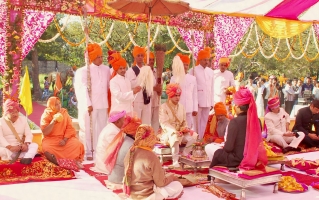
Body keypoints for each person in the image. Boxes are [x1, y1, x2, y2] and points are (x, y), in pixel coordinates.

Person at [209, 88, 267, 169]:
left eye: (235, 105)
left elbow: (228, 148)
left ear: (239, 107)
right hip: (252, 158)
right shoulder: (257, 121)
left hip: (237, 159)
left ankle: (212, 175)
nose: (234, 107)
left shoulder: (235, 122)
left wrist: (223, 147)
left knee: (217, 153)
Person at [123, 125, 183, 200]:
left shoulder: (131, 151)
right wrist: (172, 177)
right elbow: (160, 183)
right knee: (178, 185)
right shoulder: (151, 155)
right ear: (151, 138)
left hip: (132, 194)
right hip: (147, 195)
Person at [78, 43, 111, 160]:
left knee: (102, 128)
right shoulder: (84, 71)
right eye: (98, 57)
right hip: (92, 104)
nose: (101, 59)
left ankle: (100, 151)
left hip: (103, 103)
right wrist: (88, 103)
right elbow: (82, 88)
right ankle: (89, 152)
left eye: (102, 56)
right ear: (92, 57)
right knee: (89, 128)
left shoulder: (106, 69)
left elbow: (108, 85)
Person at [159, 84, 197, 167]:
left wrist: (185, 128)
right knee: (175, 136)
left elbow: (184, 121)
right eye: (175, 96)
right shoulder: (163, 107)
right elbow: (164, 123)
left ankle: (184, 156)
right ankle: (175, 160)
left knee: (193, 136)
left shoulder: (182, 107)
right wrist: (174, 131)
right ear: (170, 95)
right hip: (168, 133)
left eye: (179, 96)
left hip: (181, 132)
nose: (177, 98)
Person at [40, 97, 84, 166]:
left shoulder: (64, 112)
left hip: (64, 138)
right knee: (47, 148)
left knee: (77, 144)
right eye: (56, 104)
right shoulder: (46, 115)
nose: (59, 106)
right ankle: (57, 161)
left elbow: (69, 127)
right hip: (51, 140)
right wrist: (53, 121)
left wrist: (65, 140)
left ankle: (73, 160)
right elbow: (45, 132)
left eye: (59, 103)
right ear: (51, 106)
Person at [104, 115, 141, 185]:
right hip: (120, 180)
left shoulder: (125, 140)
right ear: (134, 132)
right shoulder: (131, 144)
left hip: (114, 177)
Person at [0, 100, 38, 164]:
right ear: (6, 113)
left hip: (20, 148)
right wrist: (10, 147)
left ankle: (27, 158)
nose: (15, 115)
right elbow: (0, 138)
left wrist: (26, 144)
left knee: (34, 145)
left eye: (17, 112)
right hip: (7, 149)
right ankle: (28, 155)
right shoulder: (1, 121)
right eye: (12, 113)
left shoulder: (23, 120)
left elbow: (29, 134)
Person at [126, 46, 157, 124]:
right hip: (137, 100)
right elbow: (130, 84)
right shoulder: (131, 70)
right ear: (135, 57)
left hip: (147, 100)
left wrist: (147, 76)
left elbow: (153, 82)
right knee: (136, 122)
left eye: (142, 56)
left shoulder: (147, 69)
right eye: (138, 56)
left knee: (146, 123)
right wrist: (142, 78)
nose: (140, 57)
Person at [188, 48, 214, 139]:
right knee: (196, 123)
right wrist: (193, 102)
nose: (207, 62)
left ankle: (200, 139)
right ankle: (194, 140)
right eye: (205, 60)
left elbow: (212, 88)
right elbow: (191, 87)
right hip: (198, 101)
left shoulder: (210, 72)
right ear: (200, 60)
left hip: (207, 101)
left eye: (208, 60)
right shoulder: (193, 70)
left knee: (204, 121)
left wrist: (212, 102)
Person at [170, 54, 198, 129]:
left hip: (189, 107)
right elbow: (171, 94)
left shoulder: (192, 78)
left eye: (187, 65)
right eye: (184, 65)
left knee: (188, 127)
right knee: (178, 127)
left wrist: (195, 108)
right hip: (178, 107)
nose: (185, 67)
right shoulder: (174, 78)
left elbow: (195, 94)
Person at [147, 52, 162, 134]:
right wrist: (154, 88)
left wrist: (159, 90)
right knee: (147, 122)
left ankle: (155, 138)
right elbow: (143, 86)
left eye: (153, 60)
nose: (152, 61)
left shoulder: (157, 71)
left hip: (156, 100)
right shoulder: (144, 71)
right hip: (148, 101)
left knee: (156, 121)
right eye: (150, 60)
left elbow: (161, 84)